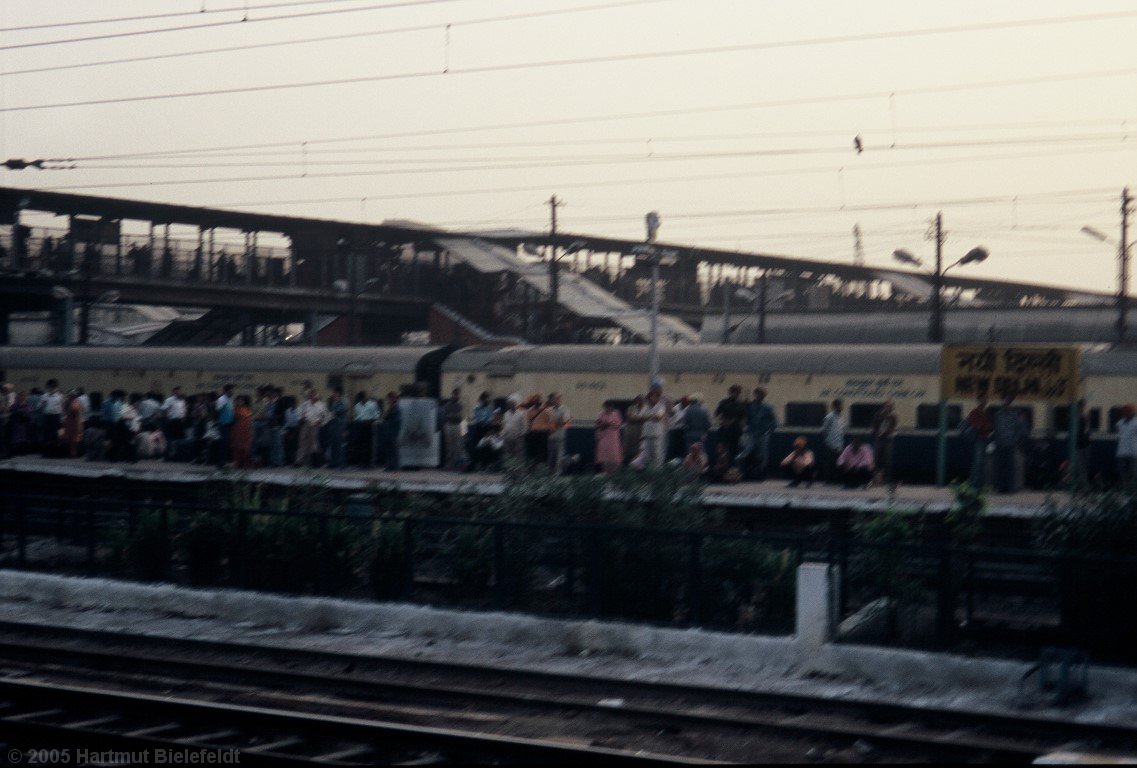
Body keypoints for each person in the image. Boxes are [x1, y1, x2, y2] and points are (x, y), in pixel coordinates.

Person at [993, 395, 1029, 493]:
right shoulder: (998, 415)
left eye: (1007, 401)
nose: (1005, 403)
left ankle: (1009, 488)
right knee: (1000, 467)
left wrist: (1015, 440)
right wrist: (996, 440)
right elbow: (996, 429)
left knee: (1010, 467)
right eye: (1004, 401)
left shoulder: (1015, 415)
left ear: (1010, 402)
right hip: (1000, 444)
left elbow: (1021, 429)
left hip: (1010, 444)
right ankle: (1000, 488)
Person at [744, 387, 778, 479]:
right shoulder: (750, 406)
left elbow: (773, 420)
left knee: (763, 453)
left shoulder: (768, 407)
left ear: (763, 396)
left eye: (760, 394)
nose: (758, 396)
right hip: (751, 432)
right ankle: (746, 471)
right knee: (747, 450)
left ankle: (762, 472)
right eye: (756, 394)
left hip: (763, 433)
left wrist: (769, 430)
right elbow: (747, 418)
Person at [964, 395, 994, 488]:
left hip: (985, 439)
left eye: (985, 400)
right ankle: (975, 483)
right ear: (979, 401)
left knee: (980, 462)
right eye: (983, 400)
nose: (985, 402)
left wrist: (987, 427)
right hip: (979, 439)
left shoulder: (986, 412)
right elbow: (978, 426)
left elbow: (989, 426)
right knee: (978, 462)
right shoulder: (975, 413)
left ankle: (976, 482)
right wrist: (986, 427)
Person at [295, 388, 329, 468]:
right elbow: (298, 413)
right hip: (306, 424)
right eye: (310, 395)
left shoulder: (321, 405)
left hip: (315, 425)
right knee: (302, 442)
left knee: (314, 444)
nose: (312, 396)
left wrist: (320, 422)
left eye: (314, 394)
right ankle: (299, 461)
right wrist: (301, 418)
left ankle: (313, 462)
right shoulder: (305, 404)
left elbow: (327, 416)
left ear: (316, 395)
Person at [869, 400, 899, 488]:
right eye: (887, 406)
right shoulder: (879, 414)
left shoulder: (893, 416)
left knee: (887, 460)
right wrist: (876, 434)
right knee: (876, 458)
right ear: (884, 407)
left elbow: (894, 426)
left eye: (890, 406)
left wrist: (888, 432)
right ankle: (875, 479)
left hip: (888, 439)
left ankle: (887, 479)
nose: (888, 408)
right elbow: (874, 425)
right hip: (879, 438)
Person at [715, 385, 746, 461]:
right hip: (724, 429)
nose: (735, 394)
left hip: (736, 431)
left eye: (737, 392)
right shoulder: (724, 402)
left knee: (734, 451)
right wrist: (723, 421)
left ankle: (733, 468)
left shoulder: (741, 404)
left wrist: (735, 422)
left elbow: (743, 418)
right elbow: (717, 413)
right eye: (733, 392)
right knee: (722, 450)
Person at [640, 386, 669, 468]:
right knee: (647, 457)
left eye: (652, 397)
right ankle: (650, 474)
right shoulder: (645, 407)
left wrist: (648, 417)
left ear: (657, 397)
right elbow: (641, 418)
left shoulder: (661, 406)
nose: (650, 399)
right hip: (647, 434)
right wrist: (651, 416)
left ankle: (658, 474)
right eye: (649, 397)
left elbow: (658, 417)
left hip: (657, 434)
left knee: (657, 455)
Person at [593, 400, 624, 474]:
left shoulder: (616, 414)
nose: (607, 408)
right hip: (603, 438)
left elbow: (617, 425)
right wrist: (607, 424)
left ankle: (614, 474)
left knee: (614, 457)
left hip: (613, 439)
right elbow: (598, 425)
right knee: (604, 457)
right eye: (605, 407)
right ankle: (605, 472)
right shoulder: (600, 414)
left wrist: (607, 424)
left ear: (611, 407)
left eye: (609, 407)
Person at [819, 399, 846, 483]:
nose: (841, 407)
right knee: (829, 462)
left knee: (838, 462)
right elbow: (824, 430)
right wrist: (828, 441)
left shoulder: (841, 417)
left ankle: (836, 479)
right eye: (839, 405)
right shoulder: (829, 417)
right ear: (835, 406)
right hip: (830, 443)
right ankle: (828, 480)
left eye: (841, 405)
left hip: (839, 444)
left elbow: (842, 430)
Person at [545, 392, 572, 473]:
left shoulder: (565, 409)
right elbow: (546, 423)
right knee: (550, 458)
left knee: (559, 457)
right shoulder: (548, 410)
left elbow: (565, 422)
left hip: (560, 437)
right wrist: (557, 422)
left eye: (557, 398)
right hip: (550, 437)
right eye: (553, 399)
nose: (555, 400)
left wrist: (555, 422)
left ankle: (558, 475)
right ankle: (549, 474)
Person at [440, 388, 464, 469]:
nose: (456, 396)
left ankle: (456, 463)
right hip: (449, 425)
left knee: (457, 446)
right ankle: (448, 463)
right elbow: (445, 416)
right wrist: (454, 416)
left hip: (457, 425)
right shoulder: (447, 405)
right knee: (449, 445)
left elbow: (461, 417)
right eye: (455, 394)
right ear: (452, 395)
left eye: (458, 394)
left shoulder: (460, 405)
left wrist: (453, 416)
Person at [39, 379, 64, 454]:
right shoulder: (44, 396)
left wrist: (62, 418)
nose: (52, 388)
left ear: (56, 387)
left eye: (54, 386)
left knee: (57, 435)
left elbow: (62, 408)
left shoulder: (60, 396)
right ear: (48, 387)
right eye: (50, 386)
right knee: (47, 435)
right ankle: (47, 452)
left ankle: (56, 452)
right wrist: (42, 404)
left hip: (56, 417)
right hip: (47, 417)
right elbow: (39, 407)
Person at [500, 394, 528, 463]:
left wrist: (521, 435)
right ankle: (510, 470)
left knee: (518, 455)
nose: (509, 404)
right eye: (509, 403)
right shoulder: (506, 414)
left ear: (515, 403)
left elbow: (525, 426)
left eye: (511, 403)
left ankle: (519, 471)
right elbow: (504, 425)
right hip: (508, 437)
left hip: (518, 438)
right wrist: (502, 434)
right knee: (508, 454)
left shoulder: (521, 413)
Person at [324, 388, 348, 469]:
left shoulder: (342, 403)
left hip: (339, 426)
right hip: (333, 427)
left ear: (338, 394)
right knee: (333, 446)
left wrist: (344, 429)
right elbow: (329, 414)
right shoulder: (332, 404)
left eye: (335, 393)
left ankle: (341, 464)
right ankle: (333, 463)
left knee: (340, 446)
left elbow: (338, 414)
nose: (333, 395)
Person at [378, 391, 401, 470]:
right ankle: (390, 466)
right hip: (388, 431)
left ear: (393, 399)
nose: (388, 400)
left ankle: (394, 466)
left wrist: (388, 416)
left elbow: (396, 420)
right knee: (389, 450)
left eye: (389, 398)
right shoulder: (392, 408)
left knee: (393, 450)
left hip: (393, 432)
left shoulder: (396, 408)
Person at [1115, 404, 1137, 485]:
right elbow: (1118, 432)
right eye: (1123, 412)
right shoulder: (1120, 423)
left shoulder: (1136, 423)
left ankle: (1132, 489)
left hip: (1133, 452)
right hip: (1122, 451)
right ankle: (1125, 488)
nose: (1124, 414)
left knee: (1133, 473)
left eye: (1126, 412)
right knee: (1122, 472)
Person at [230, 394, 254, 469]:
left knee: (245, 448)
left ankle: (245, 464)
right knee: (237, 448)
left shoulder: (246, 409)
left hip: (245, 430)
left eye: (241, 400)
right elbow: (235, 417)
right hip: (237, 430)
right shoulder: (235, 409)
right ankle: (238, 463)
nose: (240, 402)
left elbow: (249, 418)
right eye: (238, 400)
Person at [214, 384, 235, 468]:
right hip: (223, 424)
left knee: (226, 444)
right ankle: (220, 463)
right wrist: (217, 422)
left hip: (229, 424)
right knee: (223, 444)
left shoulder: (230, 399)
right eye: (231, 390)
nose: (232, 391)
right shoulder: (221, 399)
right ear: (226, 390)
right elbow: (217, 411)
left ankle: (224, 461)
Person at [622, 395, 646, 467]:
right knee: (627, 451)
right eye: (638, 401)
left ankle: (637, 468)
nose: (639, 402)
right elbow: (630, 418)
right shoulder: (631, 408)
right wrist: (642, 418)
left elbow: (646, 419)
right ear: (635, 401)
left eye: (641, 401)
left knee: (638, 451)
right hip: (630, 433)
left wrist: (637, 418)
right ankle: (626, 468)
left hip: (641, 433)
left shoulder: (646, 408)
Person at [62, 391, 84, 458]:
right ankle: (73, 453)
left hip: (74, 424)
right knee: (72, 440)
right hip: (71, 424)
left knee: (74, 441)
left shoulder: (75, 404)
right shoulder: (73, 403)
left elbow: (74, 414)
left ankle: (74, 454)